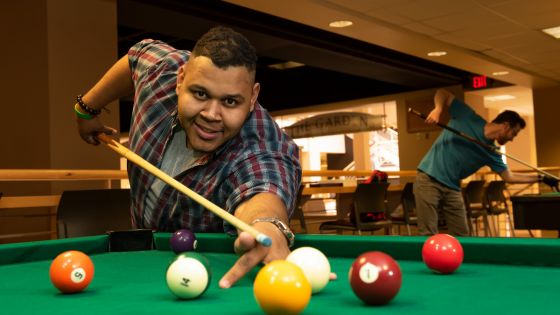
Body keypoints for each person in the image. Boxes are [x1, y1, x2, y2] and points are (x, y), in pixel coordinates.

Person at [74, 26, 302, 288]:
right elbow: (136, 56)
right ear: (180, 79)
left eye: (230, 102)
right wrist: (86, 109)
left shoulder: (261, 145)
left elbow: (264, 187)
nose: (211, 114)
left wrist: (266, 226)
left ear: (252, 98)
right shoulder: (164, 73)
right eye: (200, 94)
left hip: (203, 280)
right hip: (136, 264)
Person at [414, 88, 558, 236]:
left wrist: (540, 178)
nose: (512, 139)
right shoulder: (467, 116)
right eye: (513, 133)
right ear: (506, 126)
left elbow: (509, 177)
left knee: (462, 235)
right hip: (429, 178)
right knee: (428, 233)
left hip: (452, 187)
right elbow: (443, 93)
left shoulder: (492, 152)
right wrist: (438, 109)